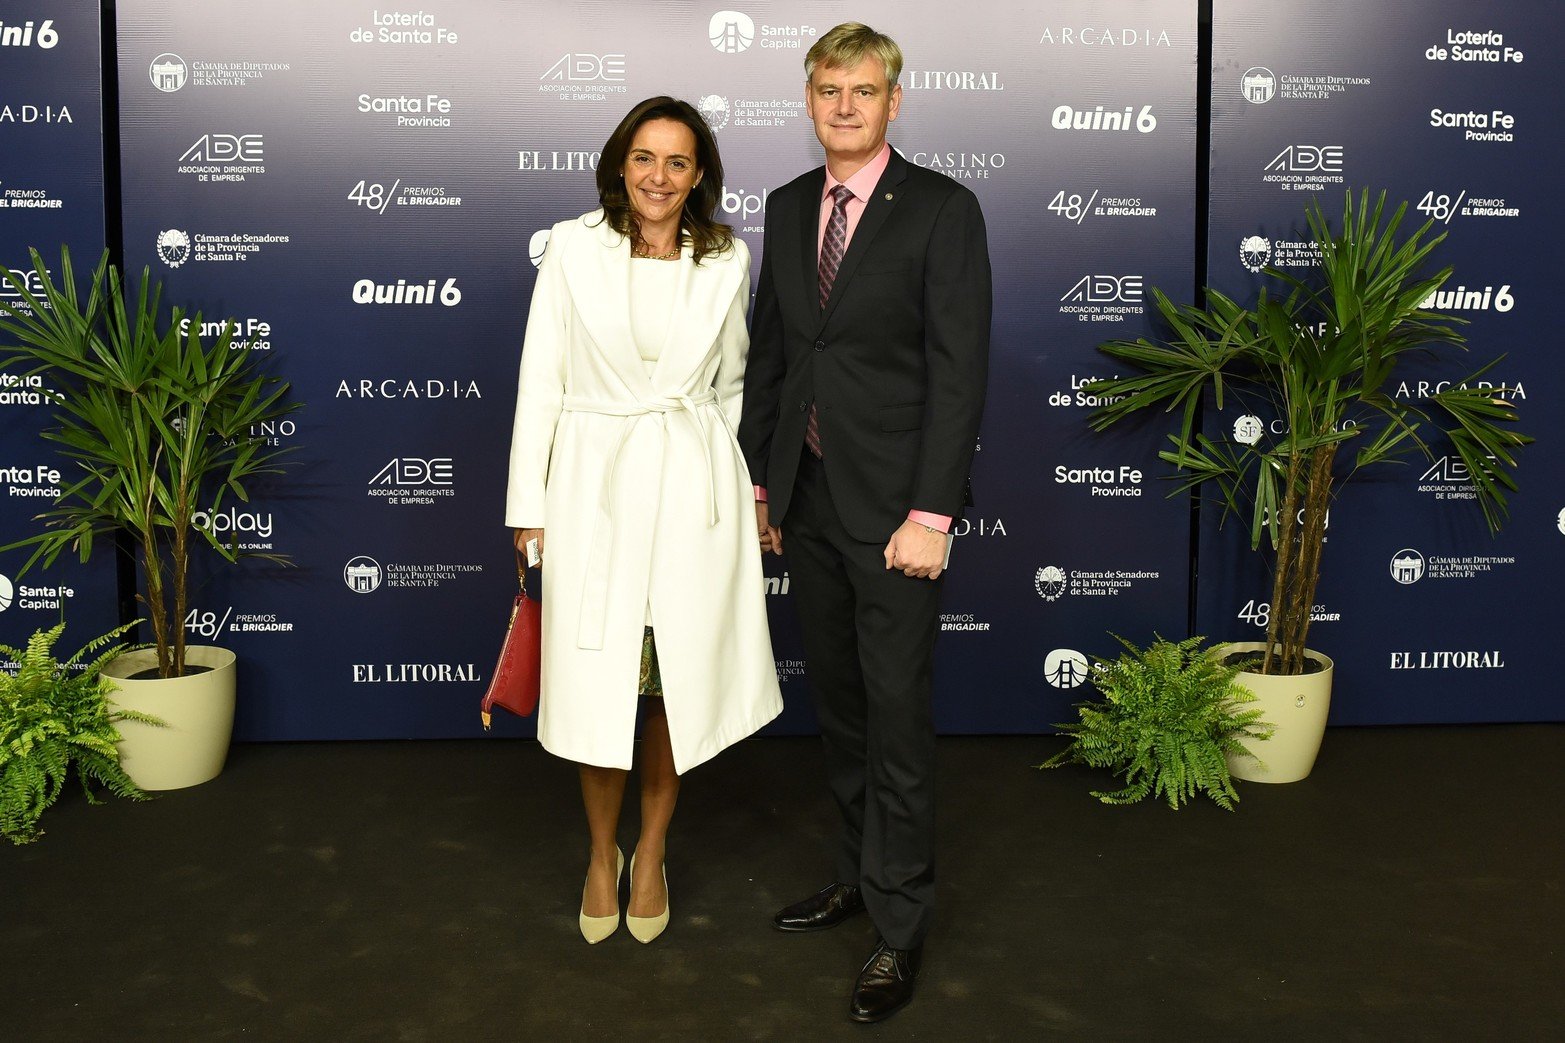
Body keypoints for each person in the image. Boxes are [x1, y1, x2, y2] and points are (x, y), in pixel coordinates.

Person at [738, 23, 991, 1023]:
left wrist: (931, 512)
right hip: (804, 503)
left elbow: (956, 370)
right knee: (839, 709)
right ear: (808, 102)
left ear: (894, 103)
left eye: (864, 89)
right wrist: (763, 488)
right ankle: (854, 874)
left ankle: (899, 921)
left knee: (893, 720)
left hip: (895, 517)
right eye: (828, 88)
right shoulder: (789, 204)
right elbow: (773, 356)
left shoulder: (940, 209)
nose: (844, 104)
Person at [506, 96, 782, 946]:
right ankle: (600, 854)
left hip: (693, 484)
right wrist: (529, 507)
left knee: (673, 687)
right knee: (600, 686)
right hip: (594, 485)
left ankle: (652, 849)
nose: (658, 177)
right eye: (644, 158)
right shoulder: (570, 249)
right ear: (618, 163)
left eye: (677, 162)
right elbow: (540, 379)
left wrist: (744, 489)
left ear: (699, 176)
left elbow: (734, 384)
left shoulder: (726, 257)